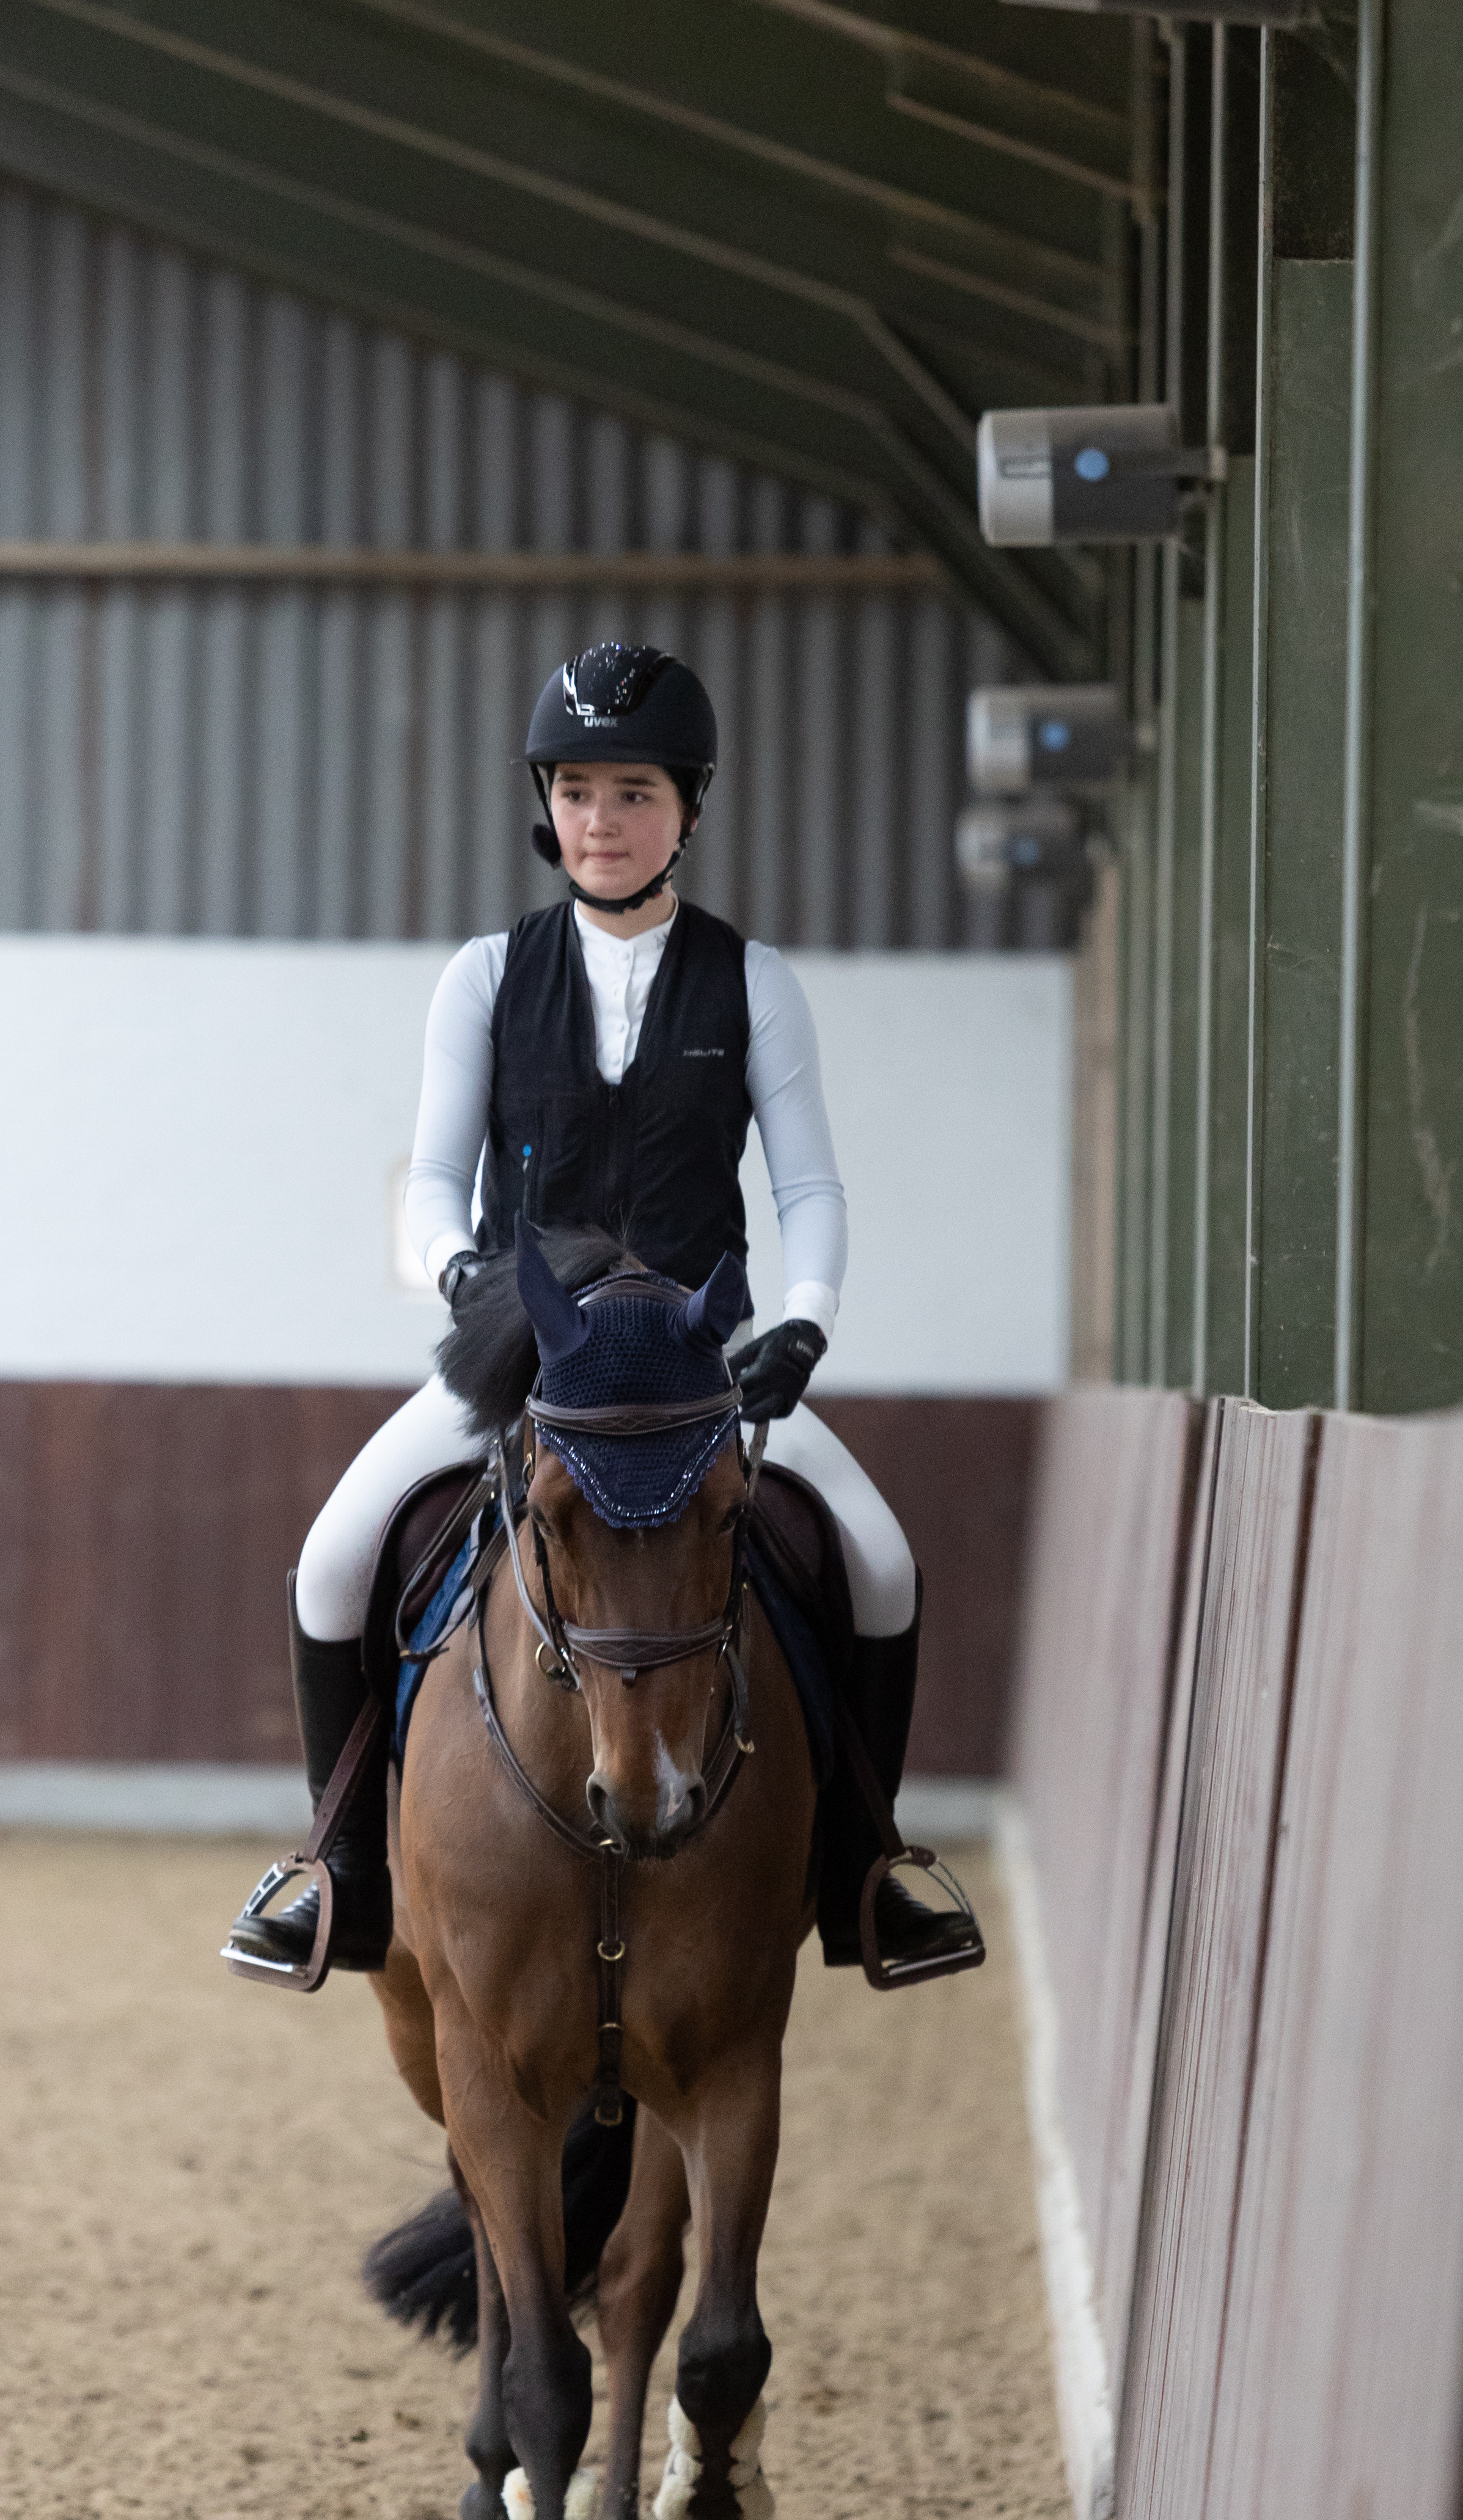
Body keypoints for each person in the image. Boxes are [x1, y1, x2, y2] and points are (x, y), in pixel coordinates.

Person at [227, 640, 970, 1981]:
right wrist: (459, 1269)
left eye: (634, 793)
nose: (601, 821)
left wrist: (804, 1319)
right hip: (531, 1359)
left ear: (688, 807)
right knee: (334, 1560)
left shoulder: (751, 980)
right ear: (547, 804)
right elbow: (433, 1178)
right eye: (576, 791)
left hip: (702, 1367)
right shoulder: (485, 976)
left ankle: (865, 1868)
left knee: (881, 1560)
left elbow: (808, 1184)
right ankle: (344, 1869)